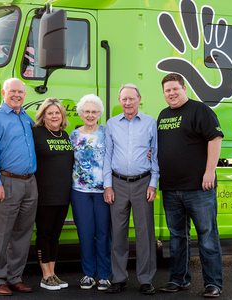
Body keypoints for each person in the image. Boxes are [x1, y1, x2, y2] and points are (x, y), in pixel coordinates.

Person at [156, 73, 224, 298]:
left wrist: (209, 172)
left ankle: (213, 283)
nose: (172, 93)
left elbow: (215, 139)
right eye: (167, 90)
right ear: (163, 93)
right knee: (177, 238)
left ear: (184, 88)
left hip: (199, 188)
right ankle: (179, 280)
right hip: (171, 189)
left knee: (207, 236)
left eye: (175, 89)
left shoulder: (200, 110)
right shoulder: (163, 115)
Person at [0, 78, 37, 296]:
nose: (17, 95)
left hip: (29, 182)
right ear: (4, 92)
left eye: (20, 92)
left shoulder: (26, 118)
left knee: (22, 234)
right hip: (5, 182)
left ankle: (15, 278)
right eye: (12, 91)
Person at [103, 84, 159, 295]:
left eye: (131, 99)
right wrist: (107, 185)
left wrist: (153, 183)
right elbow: (107, 155)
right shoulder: (111, 124)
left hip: (143, 183)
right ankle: (118, 278)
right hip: (117, 183)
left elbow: (155, 155)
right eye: (124, 99)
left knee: (145, 233)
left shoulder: (149, 123)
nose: (127, 103)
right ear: (120, 101)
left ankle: (145, 279)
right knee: (118, 233)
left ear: (139, 99)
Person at [70, 94, 112, 291]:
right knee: (85, 233)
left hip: (103, 191)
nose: (90, 115)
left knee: (103, 233)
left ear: (100, 114)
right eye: (87, 111)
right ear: (80, 113)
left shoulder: (106, 133)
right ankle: (88, 274)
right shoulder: (74, 135)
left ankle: (104, 275)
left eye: (94, 111)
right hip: (80, 191)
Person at [32, 98, 74, 291]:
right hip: (44, 194)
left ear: (62, 116)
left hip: (63, 194)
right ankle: (45, 275)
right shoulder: (36, 133)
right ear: (43, 116)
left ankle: (53, 273)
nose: (54, 116)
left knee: (55, 235)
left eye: (57, 113)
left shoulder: (65, 135)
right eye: (50, 113)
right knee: (44, 234)